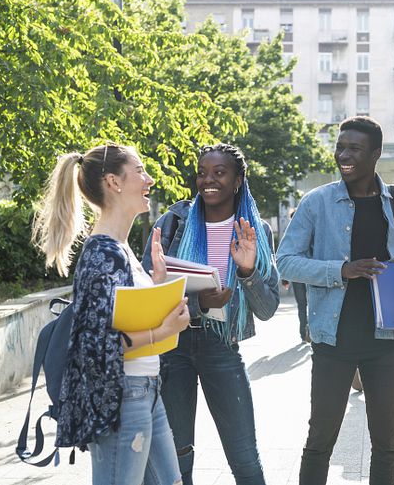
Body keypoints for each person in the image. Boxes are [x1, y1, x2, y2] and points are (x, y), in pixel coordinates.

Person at [276, 116, 394, 485]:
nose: (343, 155)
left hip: (384, 341)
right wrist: (341, 270)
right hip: (333, 340)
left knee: (386, 442)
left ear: (376, 154)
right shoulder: (317, 202)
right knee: (320, 441)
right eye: (340, 147)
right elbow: (285, 261)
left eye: (355, 149)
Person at [32, 144, 189, 485]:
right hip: (123, 397)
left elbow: (125, 318)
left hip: (146, 391)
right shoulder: (101, 253)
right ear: (114, 182)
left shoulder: (121, 249)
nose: (149, 179)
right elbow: (96, 346)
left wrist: (160, 286)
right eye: (140, 171)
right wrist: (164, 331)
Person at [143, 143, 280, 485]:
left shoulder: (254, 232)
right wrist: (198, 305)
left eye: (219, 173)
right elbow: (147, 291)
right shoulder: (174, 221)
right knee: (175, 457)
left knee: (245, 457)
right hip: (171, 348)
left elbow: (268, 309)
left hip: (223, 346)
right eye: (202, 173)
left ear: (237, 180)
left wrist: (247, 272)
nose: (208, 181)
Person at [282, 208, 309, 342]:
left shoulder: (311, 229)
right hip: (299, 276)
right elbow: (286, 256)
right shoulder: (290, 235)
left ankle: (307, 332)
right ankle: (304, 333)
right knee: (303, 304)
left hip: (309, 275)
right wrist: (285, 278)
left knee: (305, 304)